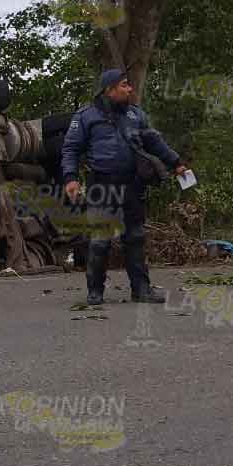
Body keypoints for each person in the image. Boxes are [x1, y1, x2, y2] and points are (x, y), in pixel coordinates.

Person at [61, 69, 188, 305]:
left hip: (133, 183)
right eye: (124, 85)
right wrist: (70, 177)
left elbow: (154, 142)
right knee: (100, 239)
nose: (130, 89)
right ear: (109, 89)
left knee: (136, 237)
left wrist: (176, 163)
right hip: (102, 184)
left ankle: (141, 290)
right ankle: (95, 292)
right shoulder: (85, 116)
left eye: (129, 84)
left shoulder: (136, 115)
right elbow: (70, 149)